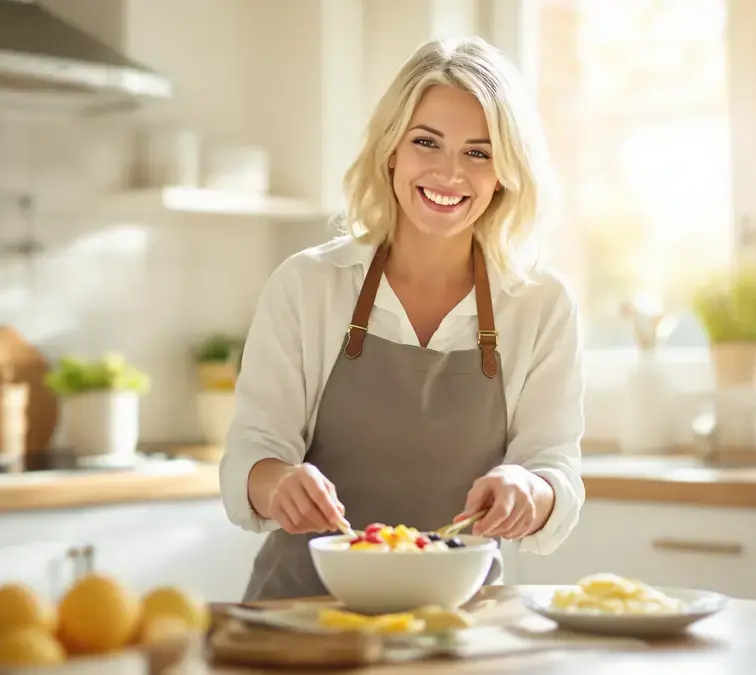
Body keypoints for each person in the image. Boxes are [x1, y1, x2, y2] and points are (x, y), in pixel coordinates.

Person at [219, 36, 585, 601]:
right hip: (302, 618)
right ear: (392, 151)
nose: (449, 173)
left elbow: (554, 469)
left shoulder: (540, 304)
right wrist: (279, 484)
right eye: (427, 143)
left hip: (457, 623)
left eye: (478, 152)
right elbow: (252, 451)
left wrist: (529, 489)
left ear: (504, 173)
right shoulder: (308, 285)